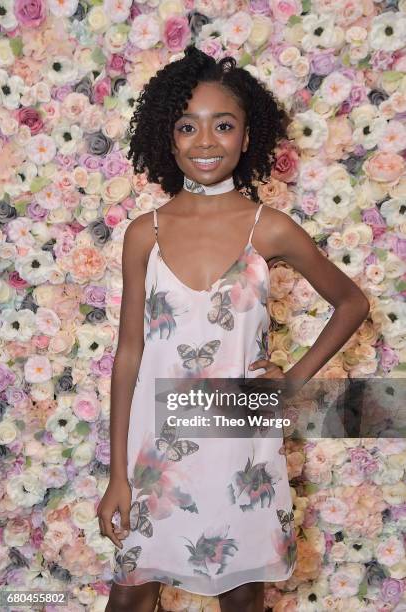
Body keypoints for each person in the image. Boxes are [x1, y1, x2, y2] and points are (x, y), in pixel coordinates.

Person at [97, 44, 370, 612]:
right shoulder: (143, 234)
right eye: (187, 126)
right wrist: (117, 474)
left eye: (223, 125)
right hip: (157, 448)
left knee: (242, 600)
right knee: (129, 599)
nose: (204, 142)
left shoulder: (269, 229)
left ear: (247, 137)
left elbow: (350, 302)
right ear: (167, 136)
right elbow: (128, 355)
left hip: (241, 441)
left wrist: (292, 382)